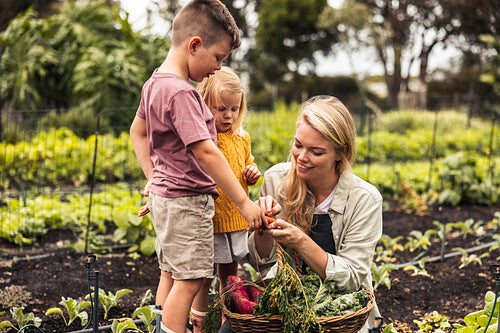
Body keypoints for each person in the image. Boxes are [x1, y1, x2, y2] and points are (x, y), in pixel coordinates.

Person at [129, 1, 267, 332]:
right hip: (188, 203)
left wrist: (155, 178)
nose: (218, 67)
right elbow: (206, 152)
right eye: (218, 57)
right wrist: (244, 202)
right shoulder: (182, 93)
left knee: (170, 274)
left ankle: (161, 327)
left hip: (166, 199)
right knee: (191, 282)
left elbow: (138, 132)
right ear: (194, 45)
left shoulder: (155, 83)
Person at [219, 95, 383, 333]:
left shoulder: (364, 199)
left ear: (341, 153)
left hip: (338, 313)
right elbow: (261, 264)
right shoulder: (276, 179)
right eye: (298, 145)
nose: (302, 157)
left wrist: (301, 241)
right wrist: (264, 229)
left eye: (316, 152)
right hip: (287, 305)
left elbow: (351, 279)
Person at [189, 66, 261, 332]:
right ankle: (199, 323)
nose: (228, 115)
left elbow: (247, 166)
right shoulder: (205, 140)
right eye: (221, 109)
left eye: (234, 108)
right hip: (211, 219)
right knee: (202, 278)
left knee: (230, 277)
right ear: (204, 103)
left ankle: (227, 321)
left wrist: (252, 174)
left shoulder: (242, 139)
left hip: (234, 219)